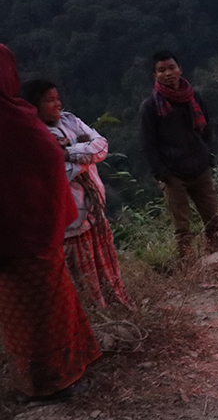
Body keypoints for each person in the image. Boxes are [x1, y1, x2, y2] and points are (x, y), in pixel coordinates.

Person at [0, 45, 102, 404]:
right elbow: (43, 164)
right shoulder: (15, 119)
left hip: (13, 238)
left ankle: (35, 380)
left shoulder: (17, 115)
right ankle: (55, 382)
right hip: (30, 233)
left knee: (21, 314)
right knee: (46, 311)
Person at [20, 80, 131, 309]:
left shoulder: (69, 120)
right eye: (50, 100)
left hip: (94, 210)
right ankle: (98, 320)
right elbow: (58, 172)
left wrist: (68, 152)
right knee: (84, 279)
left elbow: (101, 146)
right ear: (35, 106)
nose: (57, 104)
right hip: (72, 221)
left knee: (107, 270)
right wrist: (82, 154)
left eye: (57, 98)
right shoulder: (34, 136)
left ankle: (119, 309)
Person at [139, 51, 218, 260]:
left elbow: (207, 129)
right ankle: (188, 270)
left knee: (214, 219)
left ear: (180, 69)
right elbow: (148, 145)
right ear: (154, 76)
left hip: (200, 168)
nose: (168, 73)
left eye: (171, 68)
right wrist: (163, 174)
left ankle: (216, 259)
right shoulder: (150, 107)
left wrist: (208, 155)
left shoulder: (193, 97)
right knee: (182, 228)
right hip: (173, 175)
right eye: (161, 70)